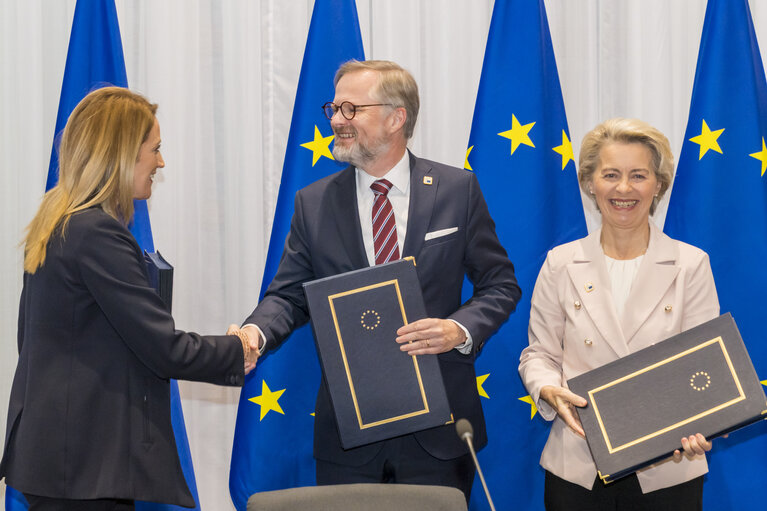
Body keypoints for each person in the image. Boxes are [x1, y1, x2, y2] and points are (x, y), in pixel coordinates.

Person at [235, 60, 521, 498]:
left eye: (351, 110)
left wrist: (458, 329)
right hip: (348, 432)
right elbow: (289, 296)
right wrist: (254, 333)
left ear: (396, 117)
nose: (335, 120)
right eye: (333, 108)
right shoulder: (313, 203)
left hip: (439, 428)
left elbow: (500, 284)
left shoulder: (457, 189)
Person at [0, 87, 259, 511]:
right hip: (83, 468)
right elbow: (163, 347)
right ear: (122, 154)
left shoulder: (59, 222)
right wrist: (238, 349)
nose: (161, 162)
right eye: (154, 150)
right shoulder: (97, 234)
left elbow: (32, 341)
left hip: (63, 460)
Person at [519, 118, 719, 510]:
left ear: (658, 184)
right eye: (610, 175)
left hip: (668, 464)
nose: (624, 189)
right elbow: (539, 354)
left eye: (638, 176)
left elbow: (705, 366)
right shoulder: (560, 263)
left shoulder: (690, 264)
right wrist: (546, 388)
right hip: (579, 461)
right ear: (590, 183)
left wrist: (699, 424)